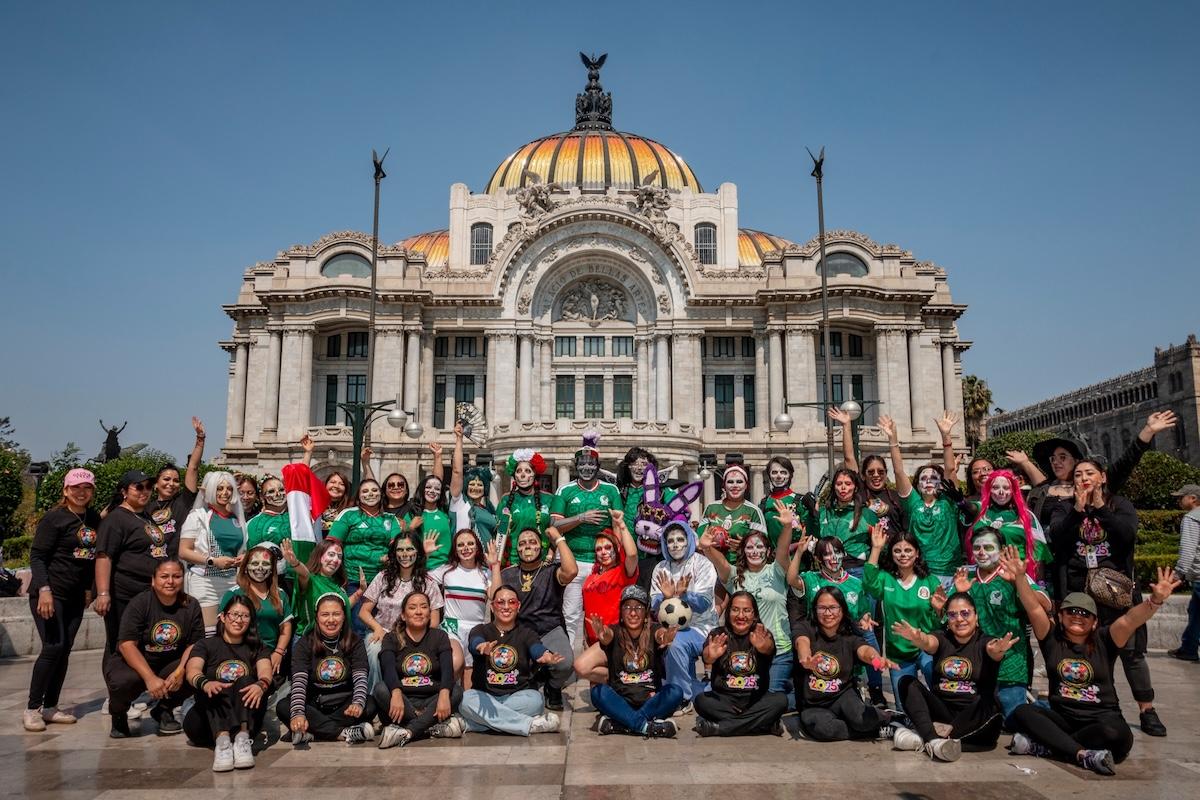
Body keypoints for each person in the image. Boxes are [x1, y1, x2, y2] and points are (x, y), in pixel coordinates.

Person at [1007, 552, 1180, 776]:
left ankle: (1049, 747)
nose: (1077, 616)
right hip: (1064, 718)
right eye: (1071, 611)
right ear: (1060, 616)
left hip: (1100, 720)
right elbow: (1033, 609)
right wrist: (1021, 577)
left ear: (1095, 621)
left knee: (1117, 736)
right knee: (1022, 713)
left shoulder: (1106, 639)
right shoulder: (1051, 639)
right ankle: (1083, 755)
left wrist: (1155, 601)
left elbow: (1129, 620)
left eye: (1085, 614)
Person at [1049, 457, 1166, 736]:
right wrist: (1077, 509)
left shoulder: (1119, 505)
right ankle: (1104, 707)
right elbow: (1058, 538)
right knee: (1091, 653)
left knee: (1131, 652)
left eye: (1090, 473)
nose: (1083, 478)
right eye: (1078, 474)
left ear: (1103, 477)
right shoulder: (1064, 508)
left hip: (1117, 591)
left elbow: (1126, 536)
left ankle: (1147, 708)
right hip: (1080, 594)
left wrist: (1100, 507)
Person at [889, 592, 1013, 761]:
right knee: (906, 682)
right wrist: (917, 638)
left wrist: (998, 649)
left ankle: (924, 737)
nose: (959, 619)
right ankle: (933, 741)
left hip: (974, 718)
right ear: (947, 618)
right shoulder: (942, 638)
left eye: (965, 613)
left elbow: (993, 649)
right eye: (952, 615)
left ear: (976, 616)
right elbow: (928, 642)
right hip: (943, 712)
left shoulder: (985, 641)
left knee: (992, 705)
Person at [25, 468, 101, 731]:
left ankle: (50, 706)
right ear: (66, 490)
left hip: (75, 595)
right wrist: (43, 589)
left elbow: (93, 558)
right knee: (53, 647)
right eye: (76, 488)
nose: (82, 493)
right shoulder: (54, 518)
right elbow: (37, 556)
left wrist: (90, 589)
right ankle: (33, 708)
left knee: (65, 649)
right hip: (50, 593)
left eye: (87, 488)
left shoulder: (92, 518)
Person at [699, 499, 796, 694]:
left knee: (770, 698)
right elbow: (722, 565)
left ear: (768, 551)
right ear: (742, 551)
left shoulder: (776, 570)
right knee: (744, 694)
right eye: (750, 547)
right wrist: (708, 548)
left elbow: (784, 553)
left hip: (778, 648)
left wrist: (787, 527)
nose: (755, 551)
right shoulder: (735, 575)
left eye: (760, 547)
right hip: (746, 650)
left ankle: (793, 692)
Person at [952, 530, 1050, 721]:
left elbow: (1046, 604)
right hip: (976, 663)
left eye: (988, 547)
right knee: (972, 718)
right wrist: (957, 593)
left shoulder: (1013, 573)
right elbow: (945, 613)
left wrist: (1018, 581)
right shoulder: (965, 573)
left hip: (1010, 663)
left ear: (1002, 550)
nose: (982, 552)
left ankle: (1045, 707)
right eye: (977, 547)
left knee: (1014, 720)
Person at [103, 559, 204, 738]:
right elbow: (126, 645)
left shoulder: (191, 605)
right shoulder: (140, 603)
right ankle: (118, 714)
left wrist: (180, 672)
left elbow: (194, 644)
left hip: (169, 662)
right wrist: (149, 678)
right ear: (153, 580)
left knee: (198, 670)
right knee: (122, 681)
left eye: (176, 576)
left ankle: (164, 709)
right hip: (135, 662)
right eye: (164, 576)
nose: (170, 581)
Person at [1028, 410, 1177, 527]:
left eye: (1062, 457)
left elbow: (1126, 462)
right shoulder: (1042, 490)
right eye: (1053, 458)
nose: (1056, 462)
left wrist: (1147, 431)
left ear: (1076, 461)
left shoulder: (1094, 485)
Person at [787, 535, 886, 707]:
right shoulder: (811, 578)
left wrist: (866, 618)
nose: (833, 558)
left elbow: (863, 612)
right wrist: (799, 553)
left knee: (868, 635)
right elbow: (791, 579)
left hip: (848, 637)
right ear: (818, 559)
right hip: (820, 637)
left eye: (837, 552)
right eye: (827, 554)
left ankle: (876, 688)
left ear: (845, 553)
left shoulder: (856, 583)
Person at [575, 584, 681, 737]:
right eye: (627, 607)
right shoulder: (616, 631)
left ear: (646, 613)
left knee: (675, 692)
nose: (632, 613)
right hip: (621, 700)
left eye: (638, 607)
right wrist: (602, 633)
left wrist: (666, 637)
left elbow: (661, 635)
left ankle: (622, 724)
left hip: (649, 700)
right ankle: (646, 726)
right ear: (621, 612)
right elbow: (607, 635)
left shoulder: (654, 630)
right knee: (598, 692)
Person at [183, 594, 273, 771]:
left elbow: (266, 673)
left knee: (247, 680)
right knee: (212, 683)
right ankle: (223, 741)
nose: (239, 620)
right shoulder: (206, 644)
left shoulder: (257, 647)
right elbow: (192, 671)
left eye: (245, 616)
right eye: (234, 614)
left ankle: (241, 740)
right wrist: (205, 684)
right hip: (208, 720)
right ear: (223, 617)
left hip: (246, 716)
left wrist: (260, 685)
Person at [550, 432, 623, 649]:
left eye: (591, 464)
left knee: (603, 615)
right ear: (576, 466)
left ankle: (604, 659)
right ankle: (571, 665)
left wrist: (616, 559)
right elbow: (554, 526)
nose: (587, 468)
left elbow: (618, 526)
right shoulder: (565, 490)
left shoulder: (611, 490)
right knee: (571, 615)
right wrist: (581, 518)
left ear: (598, 466)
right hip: (574, 562)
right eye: (582, 463)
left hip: (603, 564)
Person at [460, 585, 564, 736]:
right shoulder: (480, 630)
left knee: (536, 700)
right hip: (486, 697)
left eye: (512, 602)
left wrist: (544, 655)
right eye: (500, 602)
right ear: (492, 606)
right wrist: (481, 646)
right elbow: (475, 642)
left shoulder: (527, 632)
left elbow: (536, 647)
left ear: (518, 606)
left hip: (518, 696)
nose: (506, 607)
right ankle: (530, 725)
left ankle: (473, 723)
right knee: (465, 699)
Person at [794, 585, 895, 741]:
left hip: (843, 695)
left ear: (842, 610)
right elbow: (802, 642)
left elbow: (864, 650)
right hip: (813, 703)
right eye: (822, 608)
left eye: (833, 608)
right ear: (815, 610)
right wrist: (806, 659)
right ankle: (877, 731)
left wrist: (876, 660)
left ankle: (890, 720)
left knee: (861, 719)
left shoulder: (850, 633)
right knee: (824, 729)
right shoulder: (805, 627)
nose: (828, 613)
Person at [863, 524, 944, 708]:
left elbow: (939, 623)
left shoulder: (930, 581)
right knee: (905, 710)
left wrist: (940, 611)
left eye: (908, 550)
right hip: (898, 652)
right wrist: (876, 548)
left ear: (917, 554)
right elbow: (869, 585)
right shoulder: (886, 578)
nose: (903, 554)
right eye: (897, 551)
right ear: (891, 554)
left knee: (937, 685)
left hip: (926, 648)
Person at [279, 593, 376, 744]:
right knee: (284, 706)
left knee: (369, 704)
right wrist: (298, 714)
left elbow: (361, 678)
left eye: (336, 614)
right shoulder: (304, 644)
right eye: (325, 614)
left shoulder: (355, 642)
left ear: (344, 616)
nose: (331, 620)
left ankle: (314, 732)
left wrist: (357, 703)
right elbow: (299, 683)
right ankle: (343, 733)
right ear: (317, 617)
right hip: (315, 705)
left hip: (344, 705)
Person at [880, 415, 963, 587]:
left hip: (950, 572)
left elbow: (949, 468)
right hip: (921, 572)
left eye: (934, 478)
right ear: (917, 485)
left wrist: (946, 436)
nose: (929, 481)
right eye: (924, 478)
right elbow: (899, 470)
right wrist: (892, 439)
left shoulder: (948, 501)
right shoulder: (913, 503)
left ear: (941, 483)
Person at [500, 527, 577, 710]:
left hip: (550, 629)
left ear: (540, 547)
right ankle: (533, 678)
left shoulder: (551, 571)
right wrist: (495, 566)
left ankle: (553, 687)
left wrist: (558, 538)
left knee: (565, 663)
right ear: (517, 549)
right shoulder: (508, 574)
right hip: (521, 633)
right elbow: (493, 597)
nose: (527, 546)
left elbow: (572, 571)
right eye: (522, 543)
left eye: (532, 542)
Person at [375, 591, 464, 748]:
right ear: (403, 615)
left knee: (455, 691)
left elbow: (447, 670)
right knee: (381, 689)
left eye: (424, 607)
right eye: (412, 607)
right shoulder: (391, 638)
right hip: (405, 700)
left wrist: (444, 694)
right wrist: (395, 693)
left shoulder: (440, 636)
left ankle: (408, 731)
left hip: (432, 698)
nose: (418, 611)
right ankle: (432, 726)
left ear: (429, 613)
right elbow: (387, 668)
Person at [95, 470, 171, 654]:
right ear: (124, 492)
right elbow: (104, 557)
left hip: (148, 594)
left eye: (148, 487)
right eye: (138, 487)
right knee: (122, 644)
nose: (145, 491)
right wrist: (103, 593)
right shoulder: (116, 519)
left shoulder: (145, 516)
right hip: (125, 594)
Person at [694, 590, 789, 737]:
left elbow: (769, 647)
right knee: (701, 701)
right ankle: (762, 725)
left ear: (754, 614)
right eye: (735, 610)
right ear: (728, 612)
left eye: (747, 611)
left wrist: (763, 647)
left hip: (755, 700)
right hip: (725, 701)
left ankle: (720, 728)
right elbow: (707, 656)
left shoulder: (761, 634)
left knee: (780, 701)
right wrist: (710, 656)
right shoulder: (718, 634)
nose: (740, 616)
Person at [360, 531, 446, 689]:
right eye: (400, 550)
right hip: (382, 632)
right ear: (394, 553)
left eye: (410, 549)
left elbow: (434, 622)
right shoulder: (382, 577)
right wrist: (378, 629)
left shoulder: (429, 583)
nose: (405, 554)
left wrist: (413, 637)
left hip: (414, 636)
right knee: (374, 650)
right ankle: (376, 695)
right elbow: (364, 612)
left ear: (418, 552)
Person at [649, 520, 719, 706]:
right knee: (662, 637)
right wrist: (667, 597)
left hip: (702, 627)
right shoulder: (661, 568)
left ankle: (681, 698)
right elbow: (654, 606)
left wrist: (684, 595)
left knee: (675, 641)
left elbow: (704, 603)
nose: (675, 544)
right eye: (670, 541)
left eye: (680, 539)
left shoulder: (703, 564)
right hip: (670, 626)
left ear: (689, 541)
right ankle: (687, 689)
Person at [328, 478, 404, 635]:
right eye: (365, 491)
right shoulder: (349, 515)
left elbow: (399, 546)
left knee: (380, 628)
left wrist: (389, 557)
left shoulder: (390, 519)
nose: (370, 493)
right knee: (358, 628)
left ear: (381, 494)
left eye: (374, 490)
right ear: (358, 496)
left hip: (383, 581)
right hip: (354, 580)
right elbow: (332, 544)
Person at [179, 471, 249, 632]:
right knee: (207, 630)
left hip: (232, 581)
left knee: (230, 629)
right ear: (210, 490)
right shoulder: (197, 517)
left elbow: (243, 549)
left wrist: (243, 557)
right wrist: (212, 561)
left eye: (229, 488)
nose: (225, 493)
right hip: (204, 581)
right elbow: (183, 551)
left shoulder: (237, 519)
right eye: (219, 488)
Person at [432, 530, 500, 687]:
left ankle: (461, 706)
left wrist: (495, 565)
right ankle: (441, 699)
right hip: (452, 627)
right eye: (460, 545)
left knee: (469, 677)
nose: (466, 548)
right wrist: (426, 555)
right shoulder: (446, 570)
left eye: (470, 543)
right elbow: (420, 577)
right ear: (455, 550)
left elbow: (496, 596)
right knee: (455, 663)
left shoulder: (485, 573)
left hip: (476, 629)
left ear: (477, 547)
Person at [219, 543, 293, 682]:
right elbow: (223, 629)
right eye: (255, 563)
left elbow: (285, 627)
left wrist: (279, 652)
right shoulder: (233, 593)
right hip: (240, 658)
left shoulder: (280, 595)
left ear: (272, 569)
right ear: (245, 567)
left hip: (272, 657)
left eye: (265, 564)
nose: (260, 567)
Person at [964, 469, 1050, 583]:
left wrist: (1040, 584)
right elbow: (970, 508)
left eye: (1006, 488)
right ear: (989, 489)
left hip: (1015, 578)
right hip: (984, 577)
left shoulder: (1026, 516)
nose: (1001, 492)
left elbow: (1039, 555)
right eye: (995, 487)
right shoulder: (981, 511)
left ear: (1013, 490)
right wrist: (961, 502)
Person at [828, 409, 904, 534]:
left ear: (886, 474)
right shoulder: (859, 492)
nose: (876, 475)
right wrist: (846, 425)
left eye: (880, 472)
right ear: (863, 475)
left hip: (892, 550)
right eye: (871, 472)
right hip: (867, 550)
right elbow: (849, 458)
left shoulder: (896, 497)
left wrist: (893, 439)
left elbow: (899, 471)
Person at [145, 417, 206, 555]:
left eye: (176, 480)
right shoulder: (145, 508)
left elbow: (193, 468)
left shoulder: (183, 502)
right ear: (155, 484)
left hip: (176, 566)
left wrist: (200, 439)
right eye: (166, 479)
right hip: (149, 566)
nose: (171, 484)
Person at [581, 509, 639, 645]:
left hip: (614, 638)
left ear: (616, 548)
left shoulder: (622, 572)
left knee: (581, 666)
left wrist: (621, 525)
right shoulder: (592, 576)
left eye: (608, 547)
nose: (603, 552)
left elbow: (632, 555)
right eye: (598, 549)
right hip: (592, 639)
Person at [617, 447, 673, 586]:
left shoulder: (661, 491)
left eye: (644, 464)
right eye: (635, 464)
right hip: (624, 555)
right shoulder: (619, 490)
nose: (639, 468)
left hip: (652, 554)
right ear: (627, 467)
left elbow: (678, 509)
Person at [283, 537, 359, 637]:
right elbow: (304, 574)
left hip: (334, 641)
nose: (335, 560)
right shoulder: (310, 579)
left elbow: (344, 607)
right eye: (331, 555)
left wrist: (360, 592)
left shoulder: (337, 582)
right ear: (319, 556)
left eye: (339, 557)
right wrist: (295, 563)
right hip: (309, 640)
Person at [811, 468, 879, 576]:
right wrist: (813, 514)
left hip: (857, 570)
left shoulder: (867, 514)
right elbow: (813, 537)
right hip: (828, 570)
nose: (843, 487)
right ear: (833, 487)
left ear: (855, 487)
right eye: (839, 484)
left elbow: (880, 545)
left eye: (848, 483)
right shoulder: (823, 512)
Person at [696, 464, 767, 565]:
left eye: (739, 482)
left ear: (746, 485)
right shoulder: (711, 508)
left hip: (742, 566)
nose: (735, 485)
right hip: (712, 565)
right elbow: (699, 539)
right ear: (724, 485)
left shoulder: (754, 511)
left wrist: (744, 545)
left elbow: (763, 543)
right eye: (730, 482)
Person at [495, 448, 552, 565]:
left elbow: (557, 532)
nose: (522, 475)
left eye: (527, 471)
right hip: (513, 562)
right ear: (514, 475)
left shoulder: (549, 499)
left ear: (534, 474)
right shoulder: (505, 500)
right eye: (519, 471)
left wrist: (550, 555)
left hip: (542, 563)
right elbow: (499, 535)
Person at [448, 422, 498, 546]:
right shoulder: (459, 503)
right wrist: (459, 439)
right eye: (472, 484)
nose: (475, 487)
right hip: (463, 559)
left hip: (486, 562)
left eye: (479, 484)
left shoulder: (489, 509)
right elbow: (457, 471)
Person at [1168, 483, 1200, 662]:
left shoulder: (1192, 518)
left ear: (1193, 499)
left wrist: (1178, 573)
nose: (1179, 501)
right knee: (1195, 611)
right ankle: (1188, 648)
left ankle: (1189, 648)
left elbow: (1188, 549)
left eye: (1181, 497)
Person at [300, 433, 353, 535]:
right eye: (332, 482)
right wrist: (308, 453)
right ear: (325, 485)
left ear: (346, 489)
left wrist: (365, 464)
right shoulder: (315, 504)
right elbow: (303, 480)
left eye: (341, 484)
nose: (336, 486)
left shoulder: (350, 508)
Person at [245, 476, 292, 591]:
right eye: (271, 491)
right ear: (262, 497)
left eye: (281, 490)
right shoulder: (253, 524)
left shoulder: (300, 517)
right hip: (267, 582)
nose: (278, 494)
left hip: (300, 580)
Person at [759, 456, 811, 551]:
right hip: (772, 560)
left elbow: (810, 533)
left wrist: (814, 512)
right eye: (774, 472)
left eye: (783, 472)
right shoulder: (764, 503)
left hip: (796, 559)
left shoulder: (800, 501)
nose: (778, 476)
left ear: (790, 475)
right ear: (769, 475)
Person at [408, 473, 454, 570]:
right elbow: (400, 541)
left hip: (445, 567)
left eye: (437, 489)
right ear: (421, 489)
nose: (432, 491)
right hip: (420, 567)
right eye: (428, 487)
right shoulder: (412, 514)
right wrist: (411, 528)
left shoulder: (445, 514)